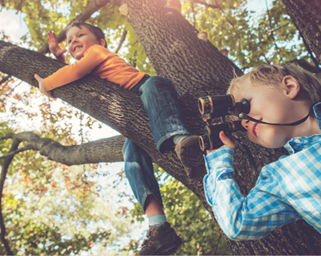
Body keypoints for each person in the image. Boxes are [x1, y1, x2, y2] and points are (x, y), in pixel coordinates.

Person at [34, 22, 206, 255]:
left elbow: (74, 73)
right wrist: (59, 59)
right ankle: (159, 227)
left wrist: (46, 83)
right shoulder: (89, 66)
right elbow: (73, 78)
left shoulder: (97, 53)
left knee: (153, 84)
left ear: (101, 43)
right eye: (69, 39)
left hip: (148, 90)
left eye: (80, 35)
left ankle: (183, 144)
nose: (73, 40)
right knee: (131, 155)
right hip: (139, 113)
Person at [203, 63, 321, 255]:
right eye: (241, 123)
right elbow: (237, 222)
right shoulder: (278, 178)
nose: (244, 121)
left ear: (289, 87)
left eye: (245, 105)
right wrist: (219, 161)